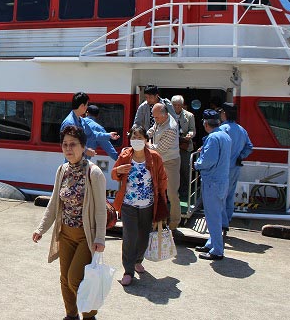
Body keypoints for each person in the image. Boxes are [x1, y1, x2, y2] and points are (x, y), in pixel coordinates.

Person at [33, 125, 107, 320]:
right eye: (65, 144)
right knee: (64, 279)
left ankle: (89, 316)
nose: (68, 148)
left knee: (75, 279)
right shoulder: (62, 170)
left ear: (83, 146)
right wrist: (41, 229)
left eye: (73, 144)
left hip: (86, 236)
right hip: (65, 233)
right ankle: (71, 315)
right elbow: (54, 202)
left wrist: (100, 238)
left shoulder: (94, 173)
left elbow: (101, 209)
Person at [111, 125, 168, 286]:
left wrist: (163, 199)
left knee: (144, 237)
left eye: (139, 137)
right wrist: (119, 169)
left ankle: (138, 260)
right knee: (130, 237)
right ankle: (128, 271)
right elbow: (114, 175)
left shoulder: (155, 157)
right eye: (133, 137)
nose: (136, 140)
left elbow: (162, 179)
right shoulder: (125, 155)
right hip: (128, 204)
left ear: (146, 140)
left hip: (148, 204)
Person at [193, 109, 231, 260]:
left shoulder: (213, 138)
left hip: (212, 183)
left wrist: (196, 164)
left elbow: (208, 161)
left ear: (206, 123)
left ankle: (217, 250)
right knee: (216, 215)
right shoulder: (225, 136)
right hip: (221, 181)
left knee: (212, 216)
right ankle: (211, 243)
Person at [219, 102, 253, 234]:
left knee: (220, 196)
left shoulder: (223, 129)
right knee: (230, 196)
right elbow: (249, 147)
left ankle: (222, 223)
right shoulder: (242, 130)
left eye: (221, 112)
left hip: (222, 169)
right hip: (235, 167)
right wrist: (241, 156)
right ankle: (227, 220)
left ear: (225, 113)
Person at [148, 103, 182, 230]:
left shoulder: (171, 128)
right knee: (157, 190)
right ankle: (158, 220)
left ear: (165, 115)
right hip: (159, 161)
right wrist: (144, 135)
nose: (155, 119)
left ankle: (174, 223)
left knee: (172, 193)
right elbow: (153, 128)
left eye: (156, 117)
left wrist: (145, 143)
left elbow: (159, 149)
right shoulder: (160, 119)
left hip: (170, 162)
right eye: (154, 117)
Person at [171, 95, 196, 199]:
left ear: (182, 105)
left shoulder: (189, 116)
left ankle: (185, 191)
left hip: (184, 146)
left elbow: (192, 129)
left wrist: (190, 135)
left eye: (179, 105)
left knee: (185, 170)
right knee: (172, 170)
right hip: (171, 147)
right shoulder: (167, 115)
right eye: (175, 105)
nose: (177, 107)